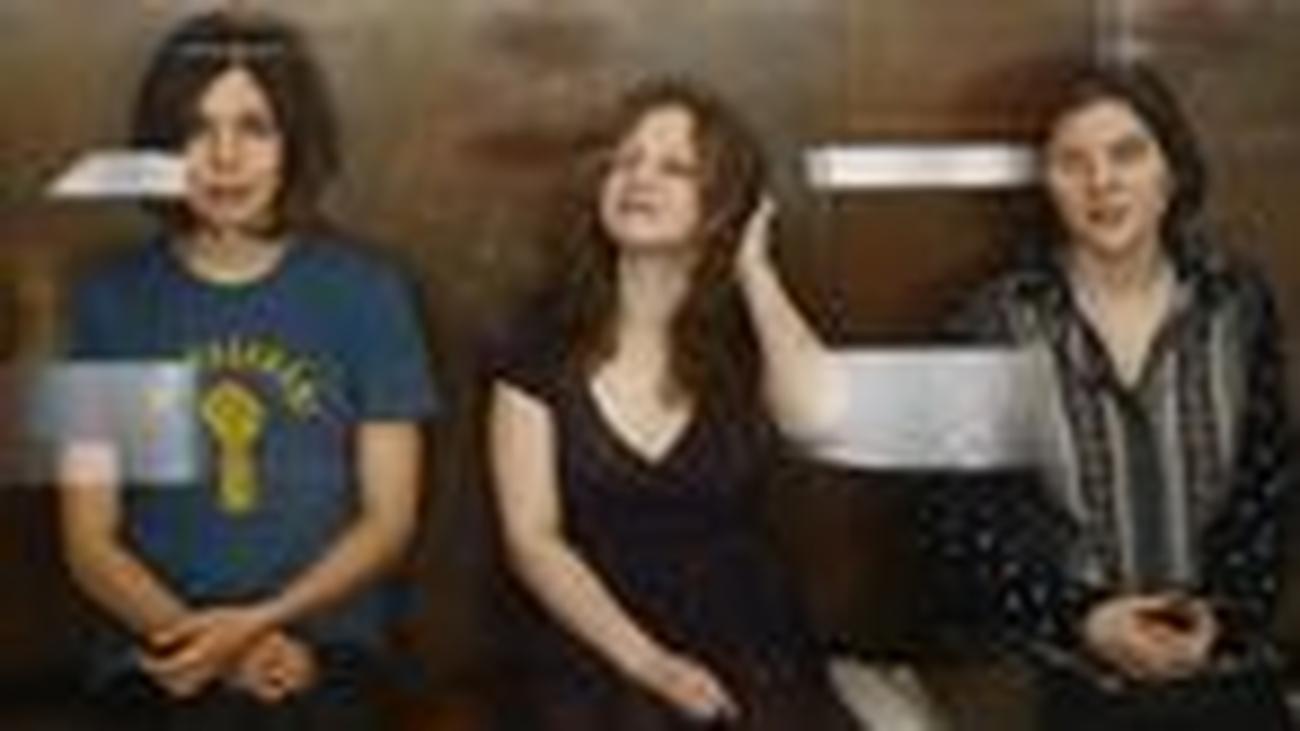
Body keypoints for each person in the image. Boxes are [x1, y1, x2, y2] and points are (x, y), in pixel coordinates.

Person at [57, 11, 437, 729]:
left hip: (328, 642)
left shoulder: (368, 292)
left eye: (254, 128)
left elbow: (390, 519)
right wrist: (205, 643)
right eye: (196, 129)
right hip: (154, 645)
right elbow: (88, 541)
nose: (224, 157)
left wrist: (261, 625)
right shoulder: (106, 299)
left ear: (295, 143)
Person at [920, 61, 1295, 730]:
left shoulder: (1238, 302)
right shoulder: (991, 322)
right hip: (1058, 674)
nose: (1102, 182)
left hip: (1220, 666)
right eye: (1072, 162)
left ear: (1171, 170)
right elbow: (958, 524)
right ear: (1047, 183)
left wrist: (1220, 617)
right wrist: (1084, 619)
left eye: (1127, 153)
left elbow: (1266, 489)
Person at [487, 79, 860, 729]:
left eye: (675, 168)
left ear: (720, 203)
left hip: (746, 635)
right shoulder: (538, 341)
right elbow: (532, 539)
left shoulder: (751, 340)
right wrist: (649, 664)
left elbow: (817, 416)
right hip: (592, 637)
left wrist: (754, 270)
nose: (640, 179)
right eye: (625, 161)